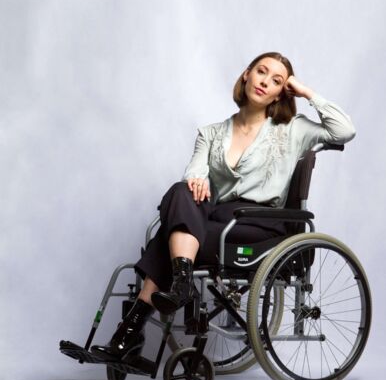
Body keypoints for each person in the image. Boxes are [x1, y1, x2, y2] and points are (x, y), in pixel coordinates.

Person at [91, 51, 356, 362]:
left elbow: (344, 130)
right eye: (261, 72)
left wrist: (305, 90)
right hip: (215, 220)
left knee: (170, 234)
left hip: (259, 224)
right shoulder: (211, 133)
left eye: (276, 81)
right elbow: (194, 170)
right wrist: (197, 181)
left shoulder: (292, 129)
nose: (265, 82)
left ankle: (129, 333)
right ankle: (181, 281)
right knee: (182, 191)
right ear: (246, 74)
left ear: (281, 92)